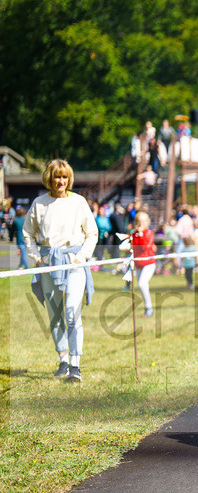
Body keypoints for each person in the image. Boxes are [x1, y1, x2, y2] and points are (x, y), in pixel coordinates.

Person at [23, 159, 99, 382]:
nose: (61, 181)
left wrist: (81, 256)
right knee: (55, 314)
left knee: (71, 311)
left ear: (69, 179)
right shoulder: (39, 203)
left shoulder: (79, 202)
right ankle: (63, 359)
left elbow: (91, 233)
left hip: (73, 262)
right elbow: (28, 233)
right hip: (49, 263)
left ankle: (76, 364)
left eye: (65, 177)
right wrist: (37, 258)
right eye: (57, 176)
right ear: (50, 178)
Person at [124, 211, 156, 318]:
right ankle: (148, 307)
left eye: (142, 221)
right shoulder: (134, 234)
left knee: (142, 284)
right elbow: (132, 248)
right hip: (138, 264)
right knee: (142, 286)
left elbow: (145, 247)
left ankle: (149, 307)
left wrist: (141, 234)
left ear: (147, 222)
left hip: (149, 263)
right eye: (138, 221)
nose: (140, 224)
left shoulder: (149, 233)